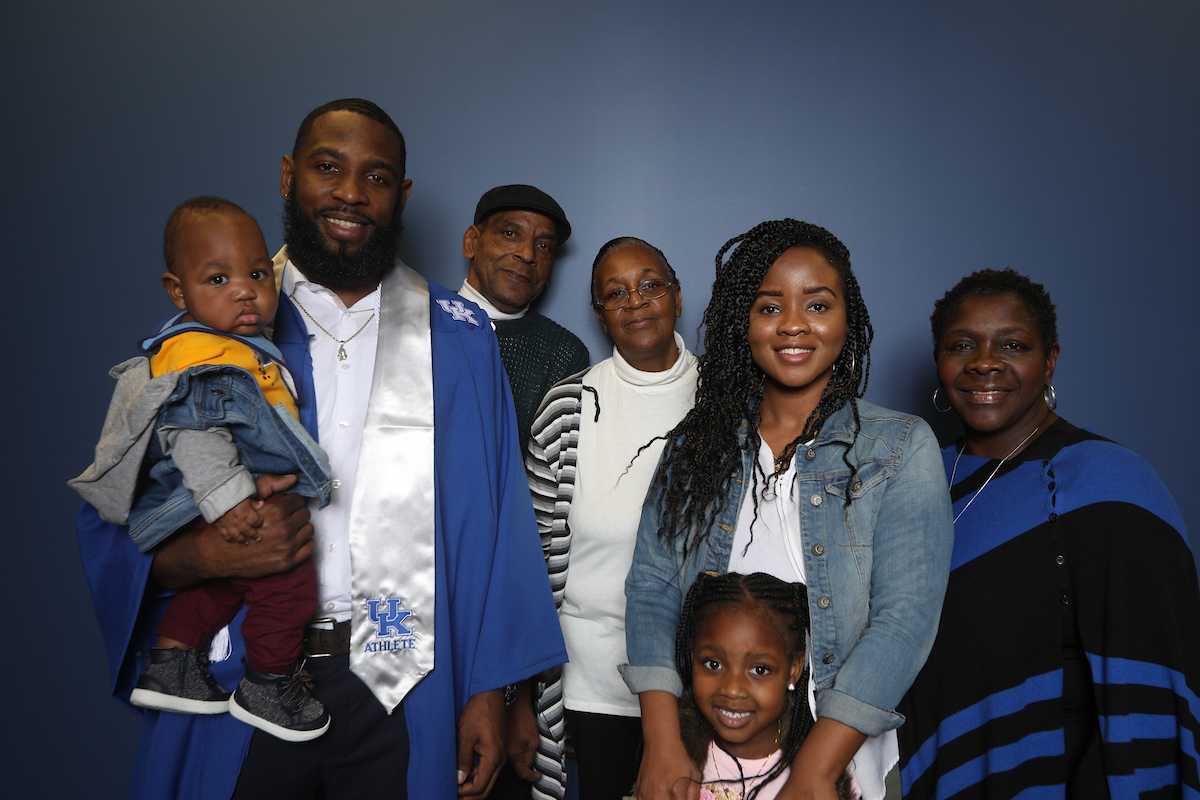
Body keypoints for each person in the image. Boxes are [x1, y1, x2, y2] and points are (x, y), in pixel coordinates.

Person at [75, 98, 566, 800]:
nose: (349, 194)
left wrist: (489, 690)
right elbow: (115, 495)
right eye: (328, 168)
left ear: (400, 196)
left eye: (375, 177)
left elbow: (500, 528)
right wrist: (205, 555)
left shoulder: (458, 337)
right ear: (287, 176)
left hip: (404, 677)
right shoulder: (210, 336)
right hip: (242, 666)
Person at [622, 219, 954, 800]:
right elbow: (652, 587)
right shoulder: (700, 445)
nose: (795, 324)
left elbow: (904, 620)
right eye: (769, 307)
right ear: (740, 324)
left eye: (818, 304)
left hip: (841, 761)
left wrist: (815, 770)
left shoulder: (900, 447)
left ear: (847, 319)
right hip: (704, 757)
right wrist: (662, 742)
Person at [898, 268, 1200, 799]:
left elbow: (1149, 691)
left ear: (1050, 359)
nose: (985, 361)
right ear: (939, 362)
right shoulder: (908, 476)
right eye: (961, 345)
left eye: (1012, 344)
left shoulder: (1107, 483)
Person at [71, 196, 334, 742]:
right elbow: (192, 435)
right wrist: (230, 500)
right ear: (178, 290)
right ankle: (269, 682)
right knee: (288, 587)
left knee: (229, 583)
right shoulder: (202, 357)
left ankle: (170, 665)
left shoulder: (230, 344)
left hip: (227, 490)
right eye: (218, 278)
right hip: (211, 498)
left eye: (258, 273)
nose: (244, 289)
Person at [525, 237, 698, 799]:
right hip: (595, 682)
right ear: (600, 314)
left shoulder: (730, 397)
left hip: (710, 681)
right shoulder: (567, 407)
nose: (636, 302)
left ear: (677, 295)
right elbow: (532, 557)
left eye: (650, 285)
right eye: (615, 293)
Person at [675, 572, 855, 800]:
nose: (732, 689)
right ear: (692, 657)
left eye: (759, 670)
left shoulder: (823, 774)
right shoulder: (674, 757)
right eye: (714, 664)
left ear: (794, 669)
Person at [459, 184, 590, 451]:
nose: (528, 254)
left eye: (543, 246)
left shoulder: (563, 353)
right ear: (472, 242)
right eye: (510, 233)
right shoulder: (421, 314)